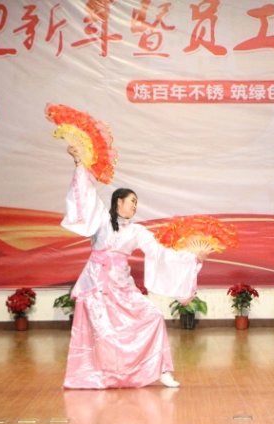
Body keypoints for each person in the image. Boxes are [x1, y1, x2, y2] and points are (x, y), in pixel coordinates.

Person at [61, 146, 206, 389]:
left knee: (154, 316)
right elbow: (86, 197)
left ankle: (161, 370)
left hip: (123, 286)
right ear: (119, 201)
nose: (134, 206)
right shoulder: (101, 221)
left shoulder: (137, 231)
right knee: (103, 333)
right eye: (132, 201)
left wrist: (193, 256)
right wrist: (79, 164)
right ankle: (100, 375)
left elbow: (160, 252)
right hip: (97, 285)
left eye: (136, 203)